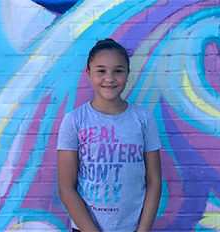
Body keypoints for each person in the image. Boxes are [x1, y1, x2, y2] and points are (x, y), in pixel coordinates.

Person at [57, 38, 162, 232]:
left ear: (128, 74)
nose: (110, 78)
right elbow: (66, 187)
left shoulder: (143, 119)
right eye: (101, 71)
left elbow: (154, 180)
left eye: (118, 71)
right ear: (88, 73)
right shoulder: (74, 121)